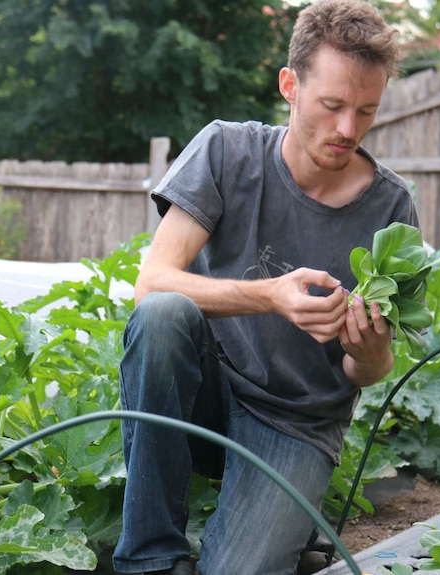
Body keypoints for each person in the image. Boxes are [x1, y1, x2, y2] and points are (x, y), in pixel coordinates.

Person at [113, 1, 420, 574]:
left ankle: (288, 533)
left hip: (297, 421)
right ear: (290, 86)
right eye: (332, 106)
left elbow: (369, 373)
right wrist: (272, 296)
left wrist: (369, 349)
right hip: (207, 385)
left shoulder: (392, 207)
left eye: (366, 111)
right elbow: (151, 284)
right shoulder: (227, 151)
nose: (347, 130)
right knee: (162, 319)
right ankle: (151, 561)